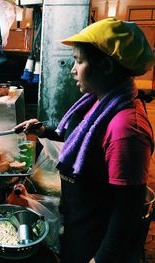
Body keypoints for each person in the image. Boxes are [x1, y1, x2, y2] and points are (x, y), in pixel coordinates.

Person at [15, 18, 155, 263]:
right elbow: (81, 135)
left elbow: (127, 211)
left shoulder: (126, 129)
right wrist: (44, 130)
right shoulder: (99, 101)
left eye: (79, 61)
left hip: (96, 242)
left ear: (107, 67)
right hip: (79, 227)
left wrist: (100, 259)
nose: (73, 69)